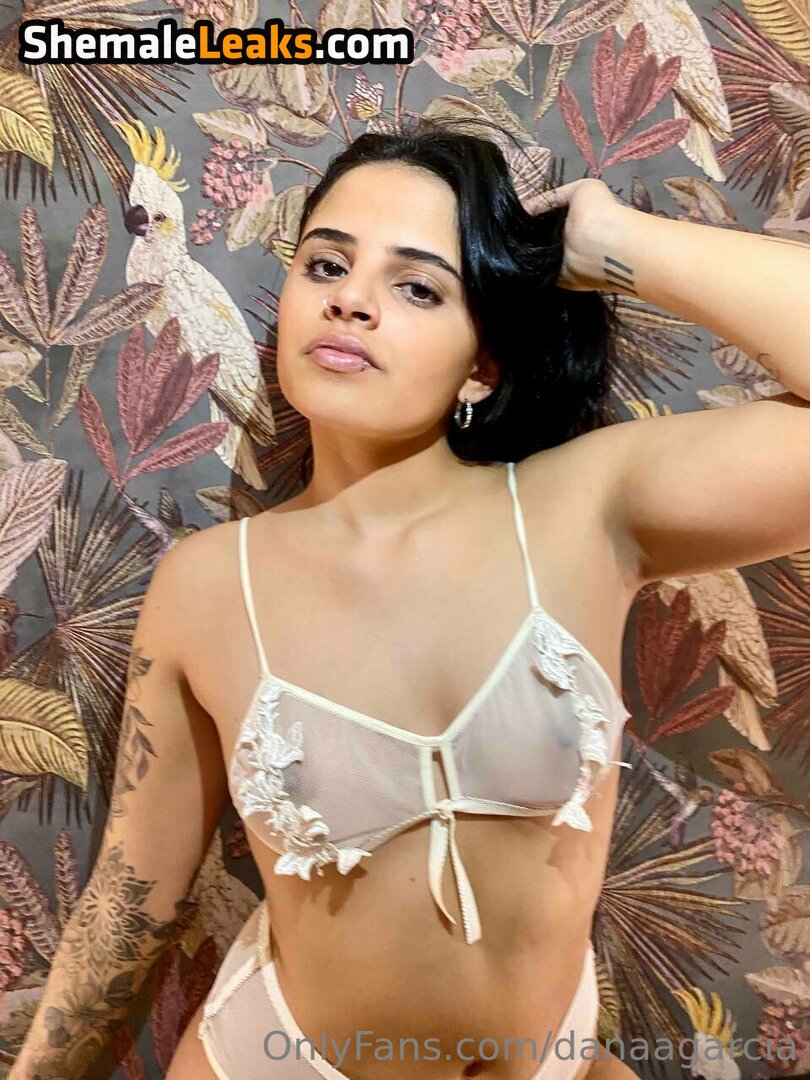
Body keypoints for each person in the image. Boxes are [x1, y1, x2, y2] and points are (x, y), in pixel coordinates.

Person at [10, 117, 810, 1080]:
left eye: (418, 286)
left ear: (482, 364)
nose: (350, 300)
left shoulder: (587, 508)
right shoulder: (210, 583)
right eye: (326, 265)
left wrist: (611, 240)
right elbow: (131, 896)